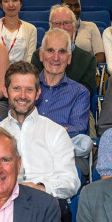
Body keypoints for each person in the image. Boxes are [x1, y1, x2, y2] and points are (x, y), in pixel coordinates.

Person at [0, 62, 80, 222]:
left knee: (55, 208)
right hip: (0, 202)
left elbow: (70, 181)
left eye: (29, 90)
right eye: (17, 88)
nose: (22, 95)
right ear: (5, 91)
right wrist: (3, 189)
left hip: (44, 203)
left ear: (38, 93)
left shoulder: (55, 132)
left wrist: (38, 188)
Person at [32, 28, 92, 161]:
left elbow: (77, 128)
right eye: (50, 50)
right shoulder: (27, 87)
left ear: (69, 58)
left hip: (63, 154)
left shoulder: (80, 93)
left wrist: (38, 132)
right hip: (26, 150)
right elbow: (16, 119)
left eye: (62, 52)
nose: (56, 58)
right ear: (41, 55)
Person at [29, 5, 98, 94]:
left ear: (74, 26)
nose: (62, 27)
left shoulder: (88, 59)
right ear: (50, 27)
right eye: (57, 23)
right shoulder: (39, 55)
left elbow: (85, 93)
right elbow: (34, 87)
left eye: (66, 23)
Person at [0, 0, 37, 64]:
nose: (11, 5)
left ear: (21, 4)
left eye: (14, 0)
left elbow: (30, 60)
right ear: (1, 4)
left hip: (21, 73)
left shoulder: (31, 29)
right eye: (6, 1)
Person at [61, 0, 104, 64]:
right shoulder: (55, 28)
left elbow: (101, 57)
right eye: (69, 6)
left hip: (86, 70)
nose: (73, 9)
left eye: (77, 6)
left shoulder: (91, 27)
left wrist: (83, 67)